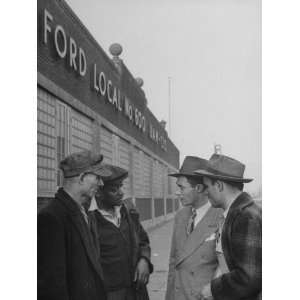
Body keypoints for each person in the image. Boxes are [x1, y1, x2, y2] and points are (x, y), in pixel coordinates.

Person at [37, 150, 111, 300]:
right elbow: (52, 286)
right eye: (97, 178)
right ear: (82, 178)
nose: (101, 183)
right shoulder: (52, 217)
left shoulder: (82, 211)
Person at [195, 154, 262, 300]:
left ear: (219, 185)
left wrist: (212, 289)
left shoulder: (246, 217)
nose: (205, 192)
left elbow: (249, 278)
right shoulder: (235, 214)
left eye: (207, 186)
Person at [90, 164, 153, 300]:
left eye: (121, 186)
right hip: (109, 294)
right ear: (99, 192)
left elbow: (143, 241)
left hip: (137, 291)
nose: (121, 192)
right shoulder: (89, 219)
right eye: (114, 189)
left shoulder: (129, 211)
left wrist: (144, 260)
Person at [165, 156, 223, 300]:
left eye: (181, 187)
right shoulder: (181, 216)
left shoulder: (222, 217)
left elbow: (226, 270)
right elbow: (174, 262)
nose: (178, 192)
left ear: (198, 188)